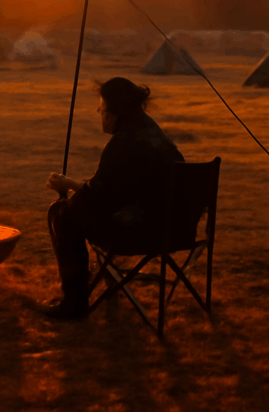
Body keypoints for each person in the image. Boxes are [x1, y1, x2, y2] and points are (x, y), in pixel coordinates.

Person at [41, 77, 184, 320]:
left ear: (116, 112)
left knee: (62, 212)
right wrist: (77, 186)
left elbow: (96, 199)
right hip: (179, 230)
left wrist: (68, 187)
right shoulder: (154, 133)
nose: (101, 116)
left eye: (102, 110)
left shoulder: (124, 144)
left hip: (143, 233)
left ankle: (74, 303)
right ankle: (107, 279)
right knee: (75, 209)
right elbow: (114, 191)